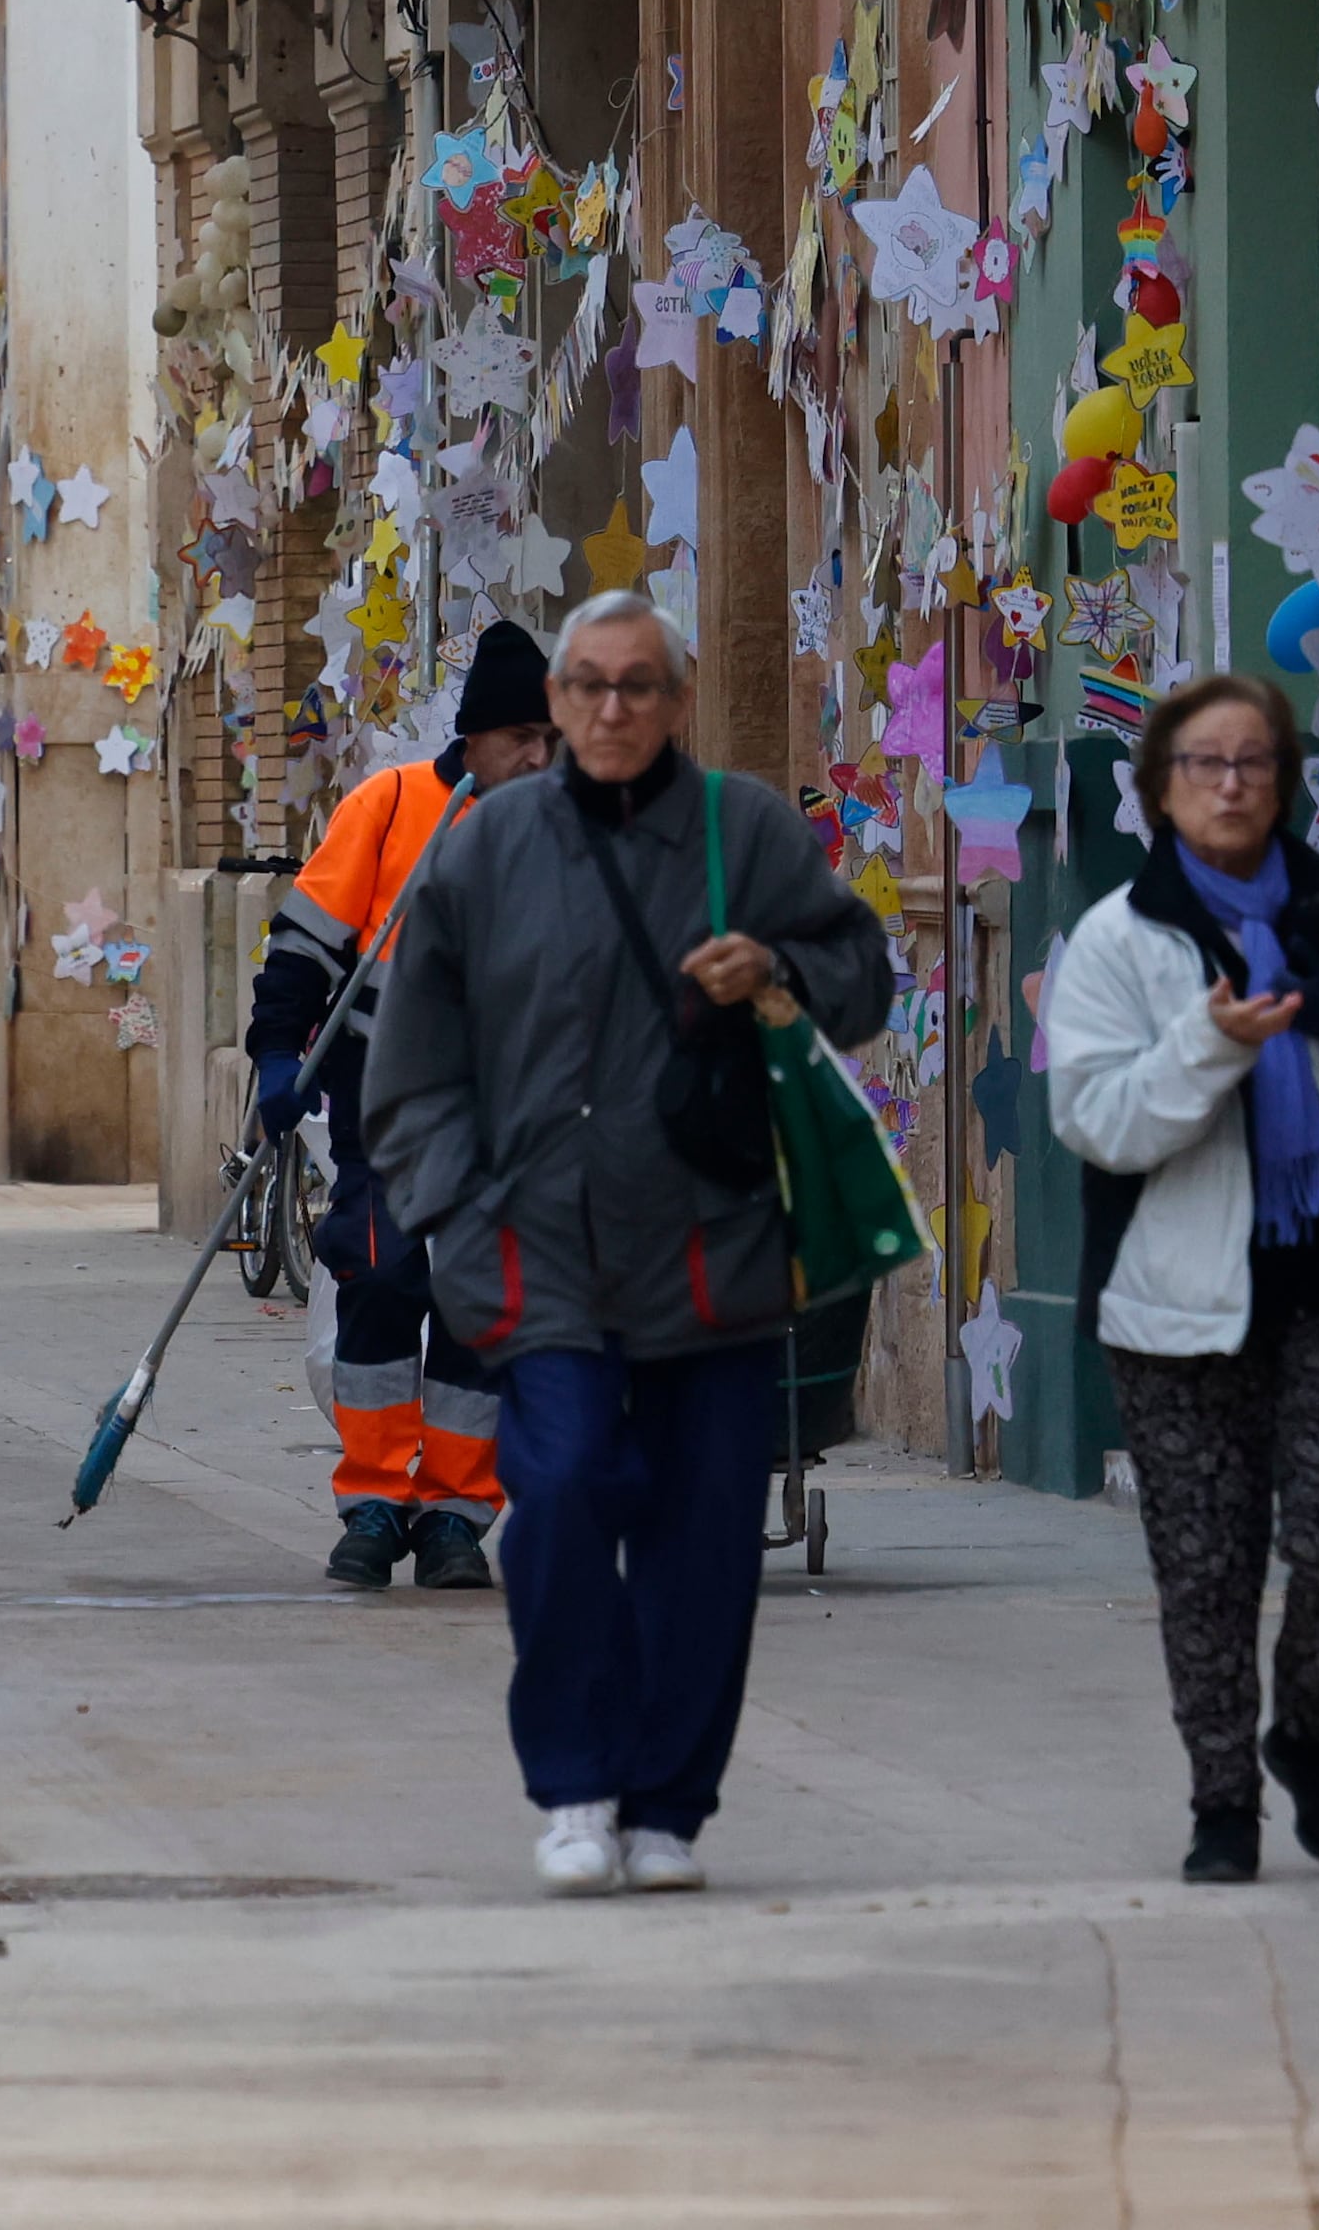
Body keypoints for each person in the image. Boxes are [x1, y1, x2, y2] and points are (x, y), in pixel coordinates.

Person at [364, 591, 893, 1896]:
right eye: (589, 685)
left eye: (640, 686)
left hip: (711, 1245)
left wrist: (770, 963)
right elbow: (412, 1058)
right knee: (556, 1505)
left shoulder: (745, 830)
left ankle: (668, 1806)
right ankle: (576, 1782)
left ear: (679, 700)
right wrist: (452, 1207)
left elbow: (864, 977)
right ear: (552, 705)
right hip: (536, 1249)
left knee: (705, 1537)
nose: (613, 709)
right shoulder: (483, 849)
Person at [1041, 673, 1319, 1885]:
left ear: (1282, 779)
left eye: (1251, 763)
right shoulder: (1119, 941)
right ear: (1160, 790)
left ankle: (1307, 1731)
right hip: (1172, 1309)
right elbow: (1100, 1123)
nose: (1228, 785)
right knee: (1205, 1566)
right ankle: (1219, 1801)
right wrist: (1206, 1047)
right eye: (1201, 765)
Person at [243, 621, 556, 1589]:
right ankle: (374, 1498)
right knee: (378, 1280)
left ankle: (454, 1514)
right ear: (473, 738)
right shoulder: (386, 809)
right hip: (383, 1093)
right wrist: (272, 1059)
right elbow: (302, 948)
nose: (539, 757)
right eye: (520, 741)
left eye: (550, 740)